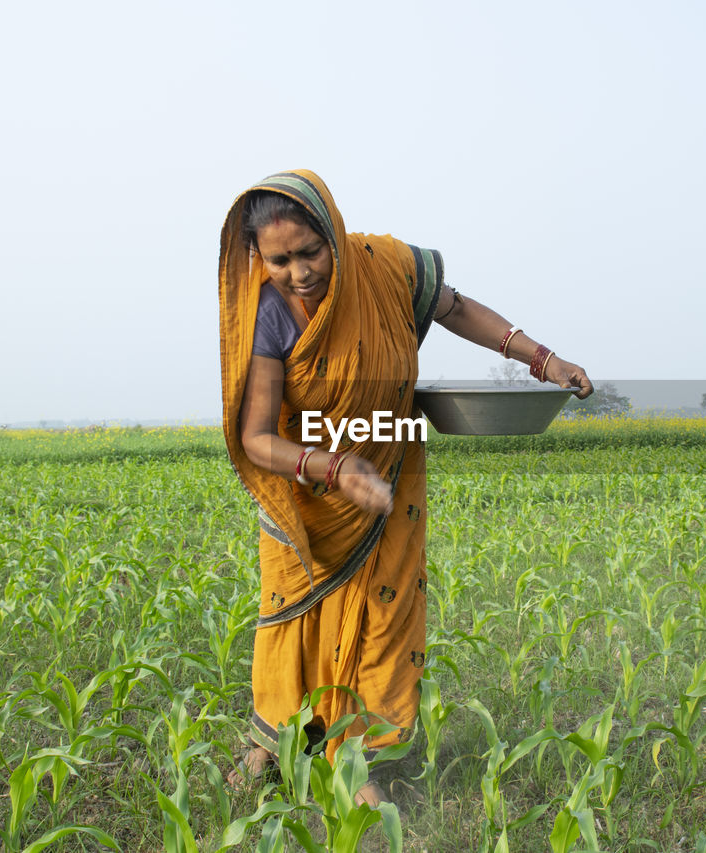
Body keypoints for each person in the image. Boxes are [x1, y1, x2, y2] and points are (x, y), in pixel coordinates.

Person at [217, 169, 593, 805]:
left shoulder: (384, 269)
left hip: (387, 471)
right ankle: (273, 743)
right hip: (308, 492)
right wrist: (334, 468)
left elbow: (456, 308)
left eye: (310, 251)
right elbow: (257, 438)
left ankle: (358, 761)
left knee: (383, 614)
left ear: (333, 233)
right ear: (259, 257)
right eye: (279, 259)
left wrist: (539, 357)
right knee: (293, 618)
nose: (298, 272)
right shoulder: (270, 314)